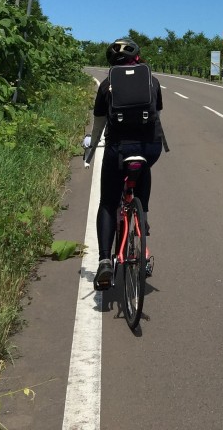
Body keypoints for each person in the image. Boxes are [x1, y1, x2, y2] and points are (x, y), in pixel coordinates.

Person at [85, 37, 165, 291]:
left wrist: (90, 149)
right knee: (143, 167)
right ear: (137, 57)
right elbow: (156, 119)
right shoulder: (153, 81)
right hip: (149, 148)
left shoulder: (107, 85)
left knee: (108, 202)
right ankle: (144, 218)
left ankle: (105, 260)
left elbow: (98, 126)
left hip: (118, 149)